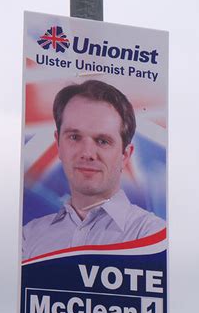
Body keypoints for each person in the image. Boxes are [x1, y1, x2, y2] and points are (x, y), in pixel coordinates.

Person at [22, 79, 165, 260]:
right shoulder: (28, 237)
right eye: (74, 137)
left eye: (102, 141)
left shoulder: (153, 237)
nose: (87, 153)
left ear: (125, 155)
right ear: (58, 144)